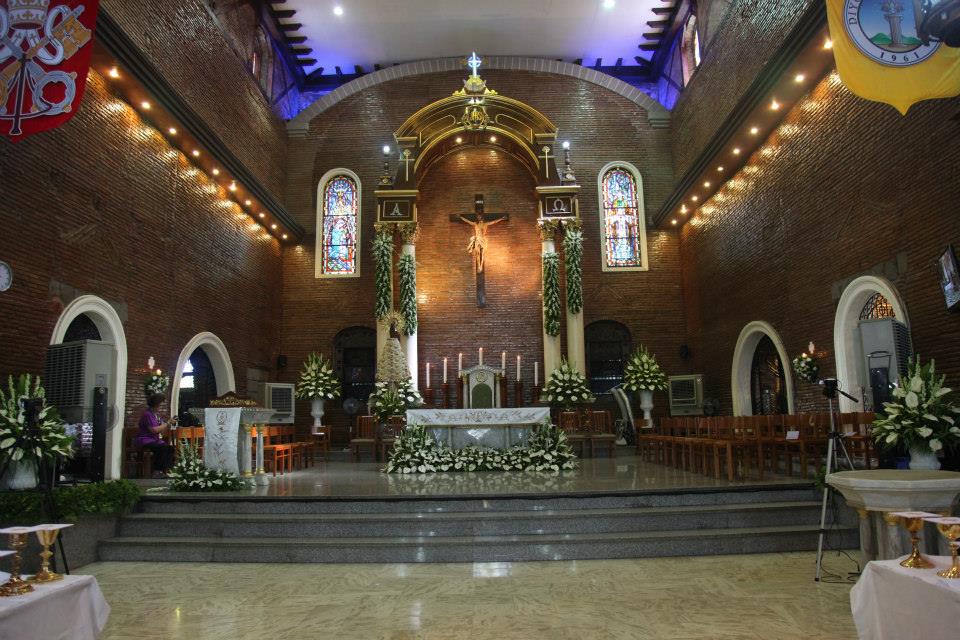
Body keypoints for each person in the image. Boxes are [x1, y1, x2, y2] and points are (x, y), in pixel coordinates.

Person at [138, 393, 175, 478]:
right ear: (156, 404)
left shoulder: (155, 415)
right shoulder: (147, 414)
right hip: (145, 440)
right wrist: (167, 423)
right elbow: (154, 430)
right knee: (162, 448)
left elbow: (160, 430)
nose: (161, 406)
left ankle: (167, 470)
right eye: (161, 404)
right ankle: (157, 471)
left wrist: (166, 425)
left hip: (154, 439)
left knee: (170, 448)